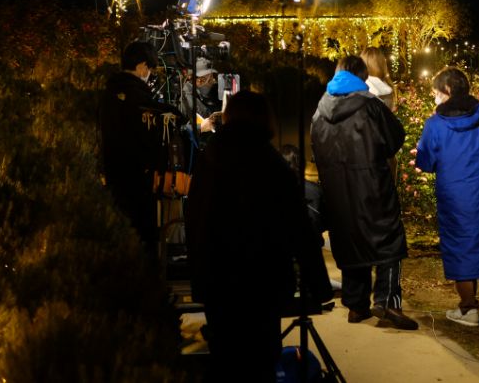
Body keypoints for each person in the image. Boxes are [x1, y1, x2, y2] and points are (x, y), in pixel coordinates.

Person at [186, 90, 333, 382]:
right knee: (260, 361)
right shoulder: (272, 164)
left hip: (217, 279)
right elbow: (299, 228)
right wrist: (319, 284)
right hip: (262, 280)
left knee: (224, 358)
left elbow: (195, 219)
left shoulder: (210, 159)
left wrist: (198, 275)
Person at [310, 55, 418, 330]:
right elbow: (395, 136)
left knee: (350, 241)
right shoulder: (370, 105)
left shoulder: (320, 111)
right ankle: (388, 301)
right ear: (361, 76)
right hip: (371, 184)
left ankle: (356, 306)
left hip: (336, 190)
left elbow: (316, 148)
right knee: (389, 240)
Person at [415, 67, 479, 327]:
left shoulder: (435, 124)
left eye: (436, 93)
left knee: (460, 248)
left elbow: (425, 160)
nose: (434, 98)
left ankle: (468, 309)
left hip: (454, 196)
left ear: (447, 92)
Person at [99, 41, 181, 253]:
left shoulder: (110, 92)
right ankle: (147, 279)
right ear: (142, 66)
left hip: (113, 172)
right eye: (150, 69)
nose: (150, 74)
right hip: (138, 178)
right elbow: (164, 116)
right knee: (144, 233)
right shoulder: (137, 96)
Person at [181, 57, 220, 133]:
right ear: (199, 81)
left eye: (212, 78)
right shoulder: (186, 100)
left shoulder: (211, 94)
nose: (213, 82)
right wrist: (200, 128)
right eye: (210, 79)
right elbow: (180, 129)